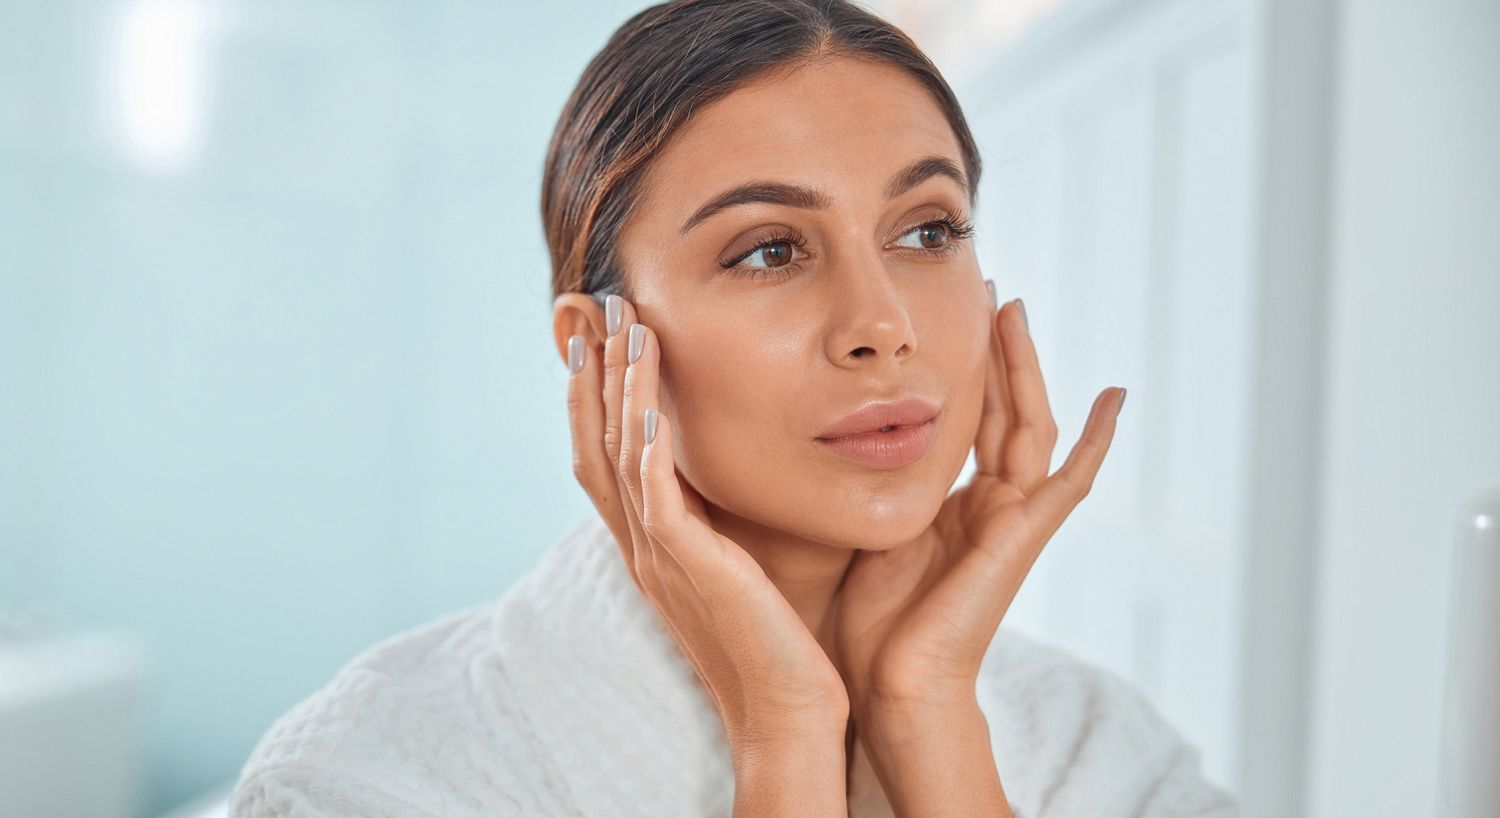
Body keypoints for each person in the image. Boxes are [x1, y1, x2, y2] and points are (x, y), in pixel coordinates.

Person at [229, 1, 1239, 815]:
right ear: (595, 347)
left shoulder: (1098, 749)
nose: (882, 324)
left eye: (928, 230)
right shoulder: (374, 775)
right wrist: (783, 732)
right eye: (768, 249)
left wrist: (928, 719)